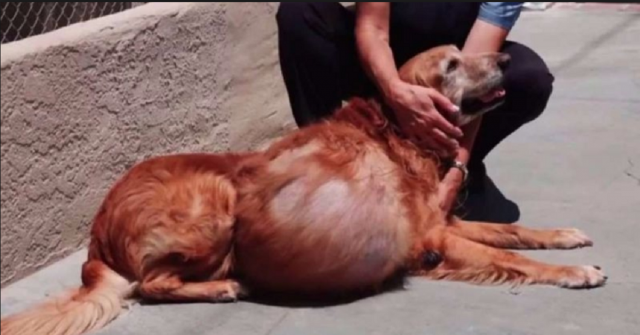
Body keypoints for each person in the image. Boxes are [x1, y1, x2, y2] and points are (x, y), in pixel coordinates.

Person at [275, 2, 554, 213]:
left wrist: (457, 169)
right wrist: (396, 92)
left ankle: (447, 168)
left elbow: (476, 82)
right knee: (300, 12)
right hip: (380, 65)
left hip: (452, 71)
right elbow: (373, 29)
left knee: (528, 79)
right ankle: (327, 165)